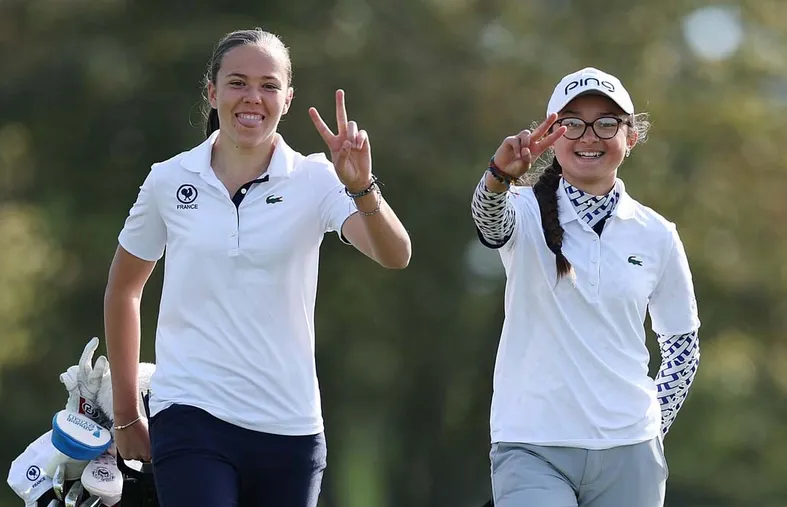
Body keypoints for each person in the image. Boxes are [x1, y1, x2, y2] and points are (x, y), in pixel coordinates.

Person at [102, 27, 411, 507]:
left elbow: (395, 254)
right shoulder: (169, 179)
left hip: (290, 427)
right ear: (212, 92)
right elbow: (124, 289)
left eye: (269, 85)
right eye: (238, 83)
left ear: (287, 99)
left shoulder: (316, 179)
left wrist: (363, 185)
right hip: (190, 413)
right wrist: (126, 414)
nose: (253, 98)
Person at [470, 67, 700, 507]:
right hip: (531, 444)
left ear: (629, 138)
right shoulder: (520, 207)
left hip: (629, 456)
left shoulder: (657, 234)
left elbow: (682, 347)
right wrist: (499, 175)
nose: (588, 136)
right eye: (572, 123)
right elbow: (488, 222)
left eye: (606, 124)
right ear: (552, 135)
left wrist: (647, 426)